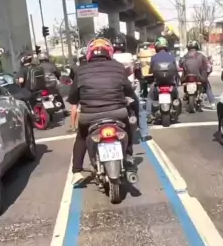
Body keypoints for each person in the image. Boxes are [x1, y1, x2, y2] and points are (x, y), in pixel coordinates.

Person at [67, 37, 139, 186]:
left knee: (81, 137)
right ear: (109, 52)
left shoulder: (81, 70)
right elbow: (129, 91)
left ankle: (77, 171)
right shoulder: (118, 67)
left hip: (89, 116)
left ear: (89, 53)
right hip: (117, 112)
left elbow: (73, 97)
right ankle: (128, 156)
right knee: (129, 127)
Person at [146, 36, 179, 120]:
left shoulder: (154, 57)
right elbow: (176, 69)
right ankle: (176, 108)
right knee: (176, 95)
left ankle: (148, 115)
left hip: (158, 83)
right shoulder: (171, 56)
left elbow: (150, 70)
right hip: (170, 82)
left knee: (150, 97)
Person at [180, 40, 215, 107]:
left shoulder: (184, 56)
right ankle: (212, 103)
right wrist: (206, 74)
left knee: (184, 82)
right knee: (207, 87)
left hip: (187, 77)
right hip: (199, 77)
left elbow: (180, 65)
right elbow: (208, 66)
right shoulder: (201, 56)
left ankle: (186, 94)